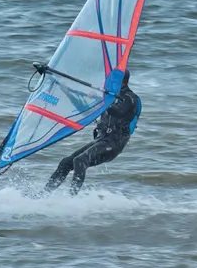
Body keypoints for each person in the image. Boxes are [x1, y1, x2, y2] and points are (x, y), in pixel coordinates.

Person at [43, 68, 141, 196]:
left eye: (111, 79)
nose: (107, 81)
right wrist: (60, 85)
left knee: (80, 161)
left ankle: (71, 198)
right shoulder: (108, 96)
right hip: (102, 140)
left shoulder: (129, 98)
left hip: (114, 143)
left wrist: (100, 99)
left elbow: (118, 111)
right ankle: (42, 195)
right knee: (66, 162)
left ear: (121, 82)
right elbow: (82, 105)